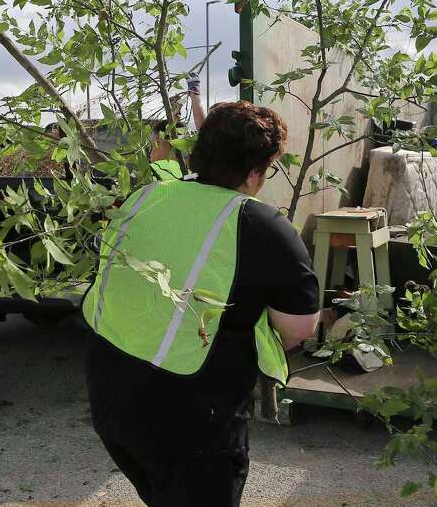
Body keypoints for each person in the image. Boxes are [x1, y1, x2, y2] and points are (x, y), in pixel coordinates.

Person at [83, 101, 320, 506]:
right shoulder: (261, 225)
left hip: (110, 395)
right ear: (254, 173)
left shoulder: (146, 197)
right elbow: (299, 329)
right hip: (191, 422)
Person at [147, 72, 208, 181]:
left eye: (151, 148)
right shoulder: (198, 177)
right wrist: (195, 95)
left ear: (159, 141)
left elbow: (206, 133)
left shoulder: (152, 174)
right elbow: (206, 134)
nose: (149, 156)